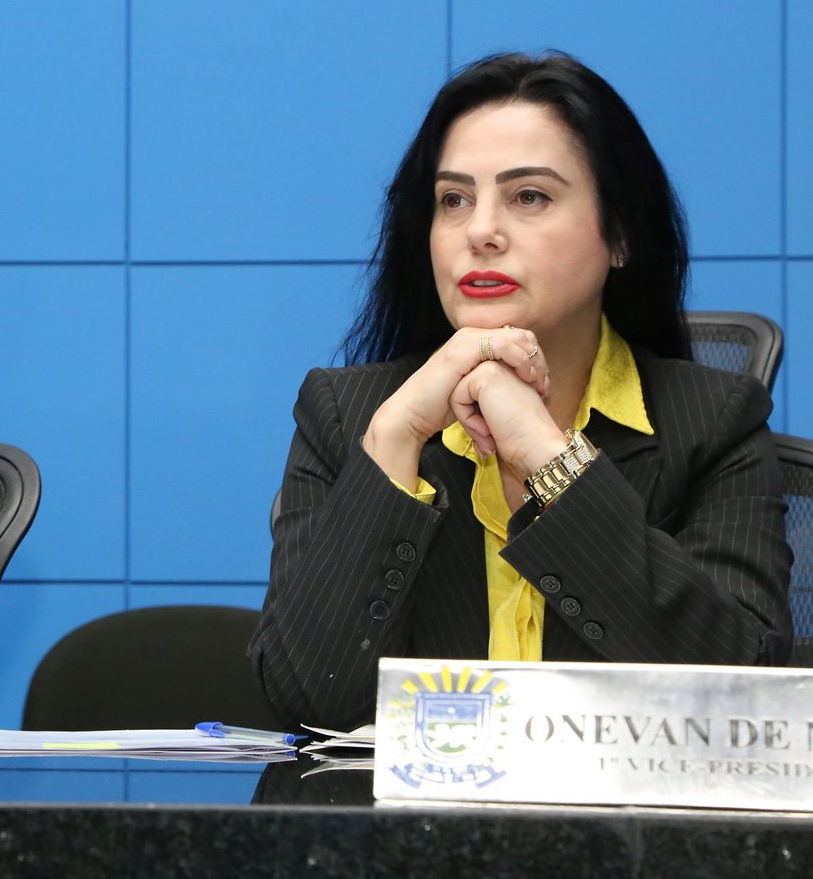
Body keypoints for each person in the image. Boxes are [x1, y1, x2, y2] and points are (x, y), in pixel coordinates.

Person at [250, 52, 792, 732]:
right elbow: (308, 699)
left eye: (529, 196)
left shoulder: (715, 423)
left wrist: (548, 458)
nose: (480, 231)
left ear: (620, 234)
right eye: (453, 200)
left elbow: (742, 698)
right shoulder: (345, 415)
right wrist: (395, 440)